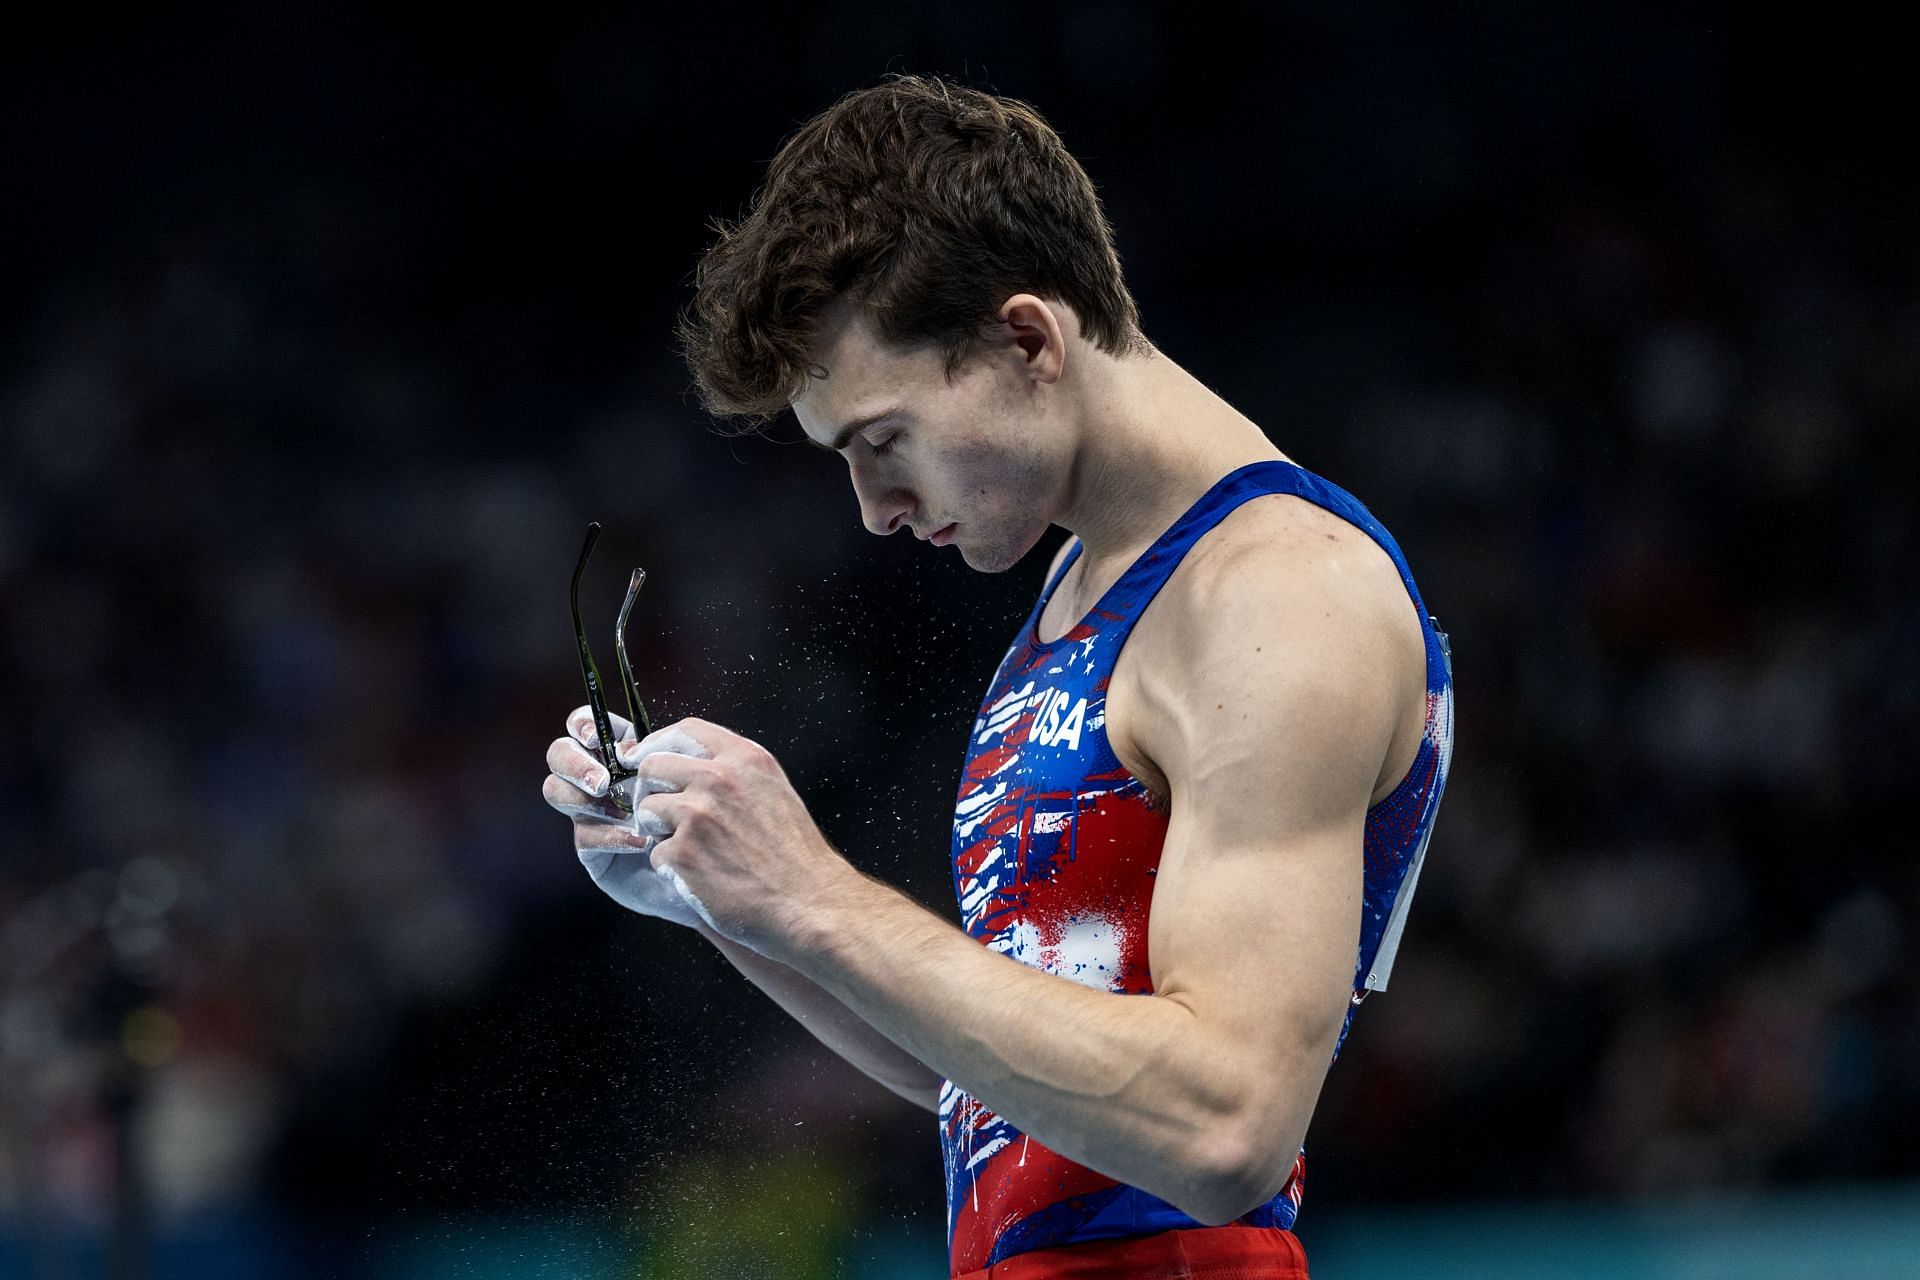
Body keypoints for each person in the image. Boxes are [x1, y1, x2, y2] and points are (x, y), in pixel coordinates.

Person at [542, 74, 1454, 1280]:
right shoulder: (1082, 596)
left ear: (1029, 339)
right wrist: (727, 899)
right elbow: (998, 1080)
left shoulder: (1276, 594)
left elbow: (1226, 1122)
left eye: (882, 440)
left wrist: (814, 890)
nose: (873, 508)